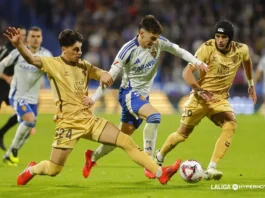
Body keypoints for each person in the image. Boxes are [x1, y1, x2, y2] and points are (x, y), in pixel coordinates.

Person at [3, 27, 181, 186]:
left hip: (89, 120)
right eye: (75, 49)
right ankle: (32, 170)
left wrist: (104, 75)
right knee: (53, 169)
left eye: (81, 49)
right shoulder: (52, 64)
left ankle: (160, 172)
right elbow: (32, 59)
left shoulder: (83, 65)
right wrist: (19, 45)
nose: (80, 53)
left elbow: (100, 72)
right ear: (64, 49)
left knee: (126, 141)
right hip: (68, 124)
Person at [81, 15, 208, 179]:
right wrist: (94, 98)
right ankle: (150, 164)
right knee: (154, 116)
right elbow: (109, 77)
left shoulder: (159, 42)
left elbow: (179, 51)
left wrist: (197, 63)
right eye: (152, 38)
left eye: (156, 38)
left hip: (142, 97)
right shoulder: (127, 50)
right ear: (141, 33)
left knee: (121, 137)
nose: (155, 42)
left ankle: (91, 158)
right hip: (128, 93)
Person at [154, 20, 257, 180]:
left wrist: (251, 84)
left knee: (231, 122)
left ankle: (211, 168)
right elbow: (186, 72)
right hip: (200, 98)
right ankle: (159, 157)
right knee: (182, 135)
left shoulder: (241, 49)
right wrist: (198, 89)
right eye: (217, 36)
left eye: (223, 37)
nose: (220, 40)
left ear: (230, 38)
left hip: (219, 99)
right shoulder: (206, 49)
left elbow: (247, 61)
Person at [1, 27, 52, 166]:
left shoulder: (46, 55)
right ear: (27, 38)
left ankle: (8, 155)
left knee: (28, 131)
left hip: (33, 99)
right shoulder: (18, 52)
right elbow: (2, 63)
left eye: (38, 36)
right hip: (17, 96)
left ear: (41, 38)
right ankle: (14, 150)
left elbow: (53, 74)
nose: (35, 39)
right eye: (33, 36)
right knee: (29, 120)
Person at [0, 27, 27, 151]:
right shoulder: (6, 50)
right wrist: (6, 78)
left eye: (24, 35)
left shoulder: (22, 51)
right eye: (20, 35)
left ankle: (1, 133)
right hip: (1, 86)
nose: (22, 37)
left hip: (11, 89)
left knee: (19, 113)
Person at [254, 53, 265, 117]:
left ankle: (262, 111)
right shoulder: (263, 59)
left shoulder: (263, 59)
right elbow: (258, 72)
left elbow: (258, 71)